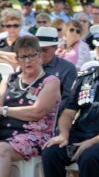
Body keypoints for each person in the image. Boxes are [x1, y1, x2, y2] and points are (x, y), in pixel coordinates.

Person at [42, 24, 99, 177]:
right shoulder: (84, 77)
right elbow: (68, 113)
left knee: (89, 156)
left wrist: (91, 142)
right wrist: (64, 135)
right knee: (51, 152)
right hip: (79, 135)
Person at [0, 36, 61, 177]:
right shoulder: (9, 79)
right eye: (23, 57)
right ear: (17, 60)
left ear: (40, 56)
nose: (27, 60)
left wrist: (4, 111)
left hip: (35, 135)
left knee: (1, 149)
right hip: (5, 131)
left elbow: (36, 112)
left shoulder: (51, 82)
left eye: (31, 55)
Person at [35, 26, 77, 120]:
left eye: (44, 50)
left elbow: (68, 99)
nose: (40, 53)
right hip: (27, 112)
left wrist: (48, 113)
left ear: (55, 48)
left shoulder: (68, 69)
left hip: (53, 117)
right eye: (37, 49)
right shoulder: (29, 65)